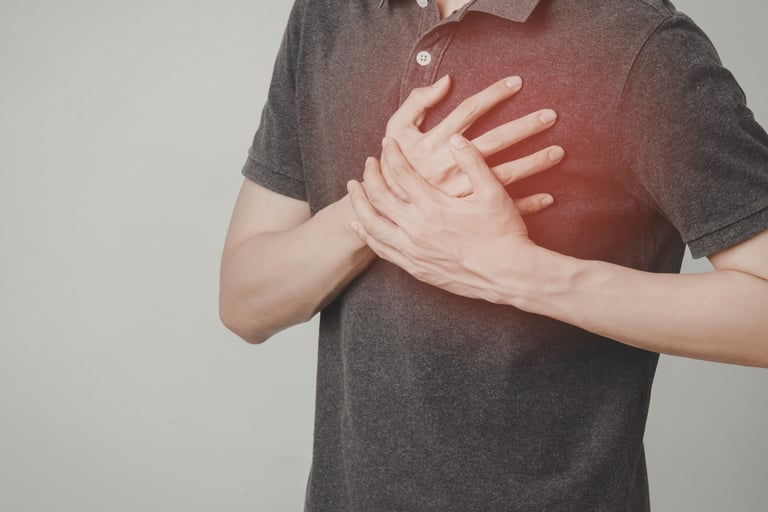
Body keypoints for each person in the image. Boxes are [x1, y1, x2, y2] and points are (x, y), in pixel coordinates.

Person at [219, 0, 768, 510]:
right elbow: (244, 304)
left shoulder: (636, 40)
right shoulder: (327, 15)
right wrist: (383, 202)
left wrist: (520, 274)